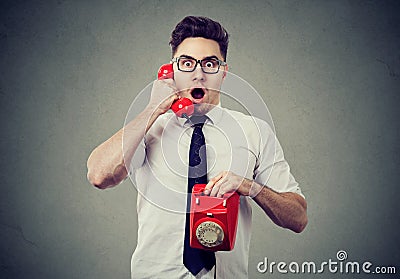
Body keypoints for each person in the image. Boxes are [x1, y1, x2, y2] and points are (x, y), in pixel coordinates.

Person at [87, 16, 307, 278]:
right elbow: (99, 175)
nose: (198, 73)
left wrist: (249, 186)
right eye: (187, 63)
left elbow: (298, 218)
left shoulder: (255, 131)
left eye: (210, 64)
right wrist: (153, 109)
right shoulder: (148, 129)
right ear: (172, 70)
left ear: (224, 72)